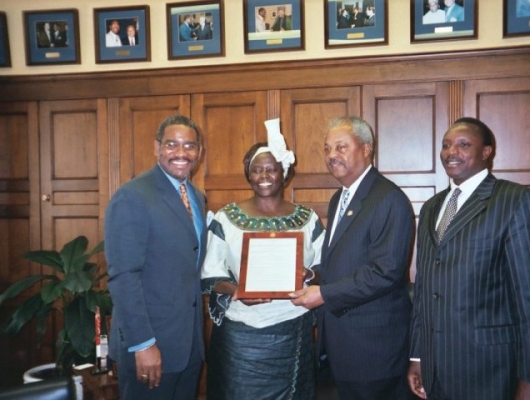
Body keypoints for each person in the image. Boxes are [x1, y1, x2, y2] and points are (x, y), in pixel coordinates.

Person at [407, 117, 530, 400]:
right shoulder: (431, 208)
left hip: (491, 370)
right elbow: (425, 292)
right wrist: (417, 355)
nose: (451, 152)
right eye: (446, 145)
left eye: (464, 144)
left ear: (486, 152)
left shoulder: (516, 201)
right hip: (436, 368)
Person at [290, 116, 415, 400]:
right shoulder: (339, 199)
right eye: (327, 149)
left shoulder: (388, 198)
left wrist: (322, 294)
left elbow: (386, 272)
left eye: (341, 147)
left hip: (374, 350)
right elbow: (344, 263)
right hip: (342, 344)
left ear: (367, 148)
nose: (332, 155)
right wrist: (312, 277)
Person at [202, 118, 325, 399]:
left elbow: (324, 268)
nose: (264, 176)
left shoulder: (307, 219)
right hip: (240, 337)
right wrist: (237, 291)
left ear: (284, 173)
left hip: (292, 330)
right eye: (256, 170)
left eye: (271, 169)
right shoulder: (226, 219)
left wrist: (306, 275)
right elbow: (210, 275)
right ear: (248, 174)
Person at [105, 115, 207, 399]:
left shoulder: (197, 198)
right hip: (151, 349)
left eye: (189, 146)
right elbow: (124, 276)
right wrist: (143, 344)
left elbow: (190, 265)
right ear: (157, 147)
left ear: (199, 152)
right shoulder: (133, 197)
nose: (181, 153)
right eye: (172, 144)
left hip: (188, 347)